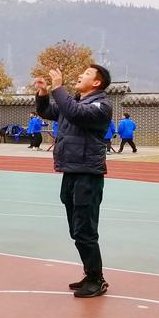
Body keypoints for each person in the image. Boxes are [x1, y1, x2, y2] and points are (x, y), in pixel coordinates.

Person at [34, 64, 113, 299]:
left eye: (87, 74)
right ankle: (90, 275)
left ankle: (96, 279)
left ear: (97, 83)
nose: (80, 75)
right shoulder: (75, 104)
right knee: (76, 229)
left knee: (85, 230)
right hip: (71, 171)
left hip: (88, 175)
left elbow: (76, 113)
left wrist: (59, 87)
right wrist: (43, 93)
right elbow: (47, 111)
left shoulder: (101, 106)